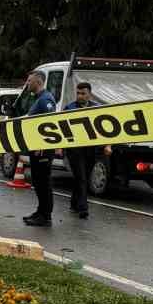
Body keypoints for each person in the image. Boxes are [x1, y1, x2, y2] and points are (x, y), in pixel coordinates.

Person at [60, 81, 106, 217]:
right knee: (81, 178)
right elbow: (62, 128)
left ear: (89, 94)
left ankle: (74, 203)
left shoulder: (96, 108)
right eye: (78, 93)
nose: (80, 96)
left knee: (82, 177)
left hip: (90, 149)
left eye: (83, 93)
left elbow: (103, 128)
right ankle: (83, 208)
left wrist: (107, 146)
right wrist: (60, 147)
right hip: (74, 150)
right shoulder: (69, 108)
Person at [20, 70, 58, 227]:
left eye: (29, 81)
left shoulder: (46, 99)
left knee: (43, 182)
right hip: (36, 147)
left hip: (43, 148)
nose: (27, 84)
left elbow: (49, 124)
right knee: (37, 180)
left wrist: (43, 145)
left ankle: (45, 216)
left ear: (38, 82)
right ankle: (40, 211)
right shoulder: (38, 99)